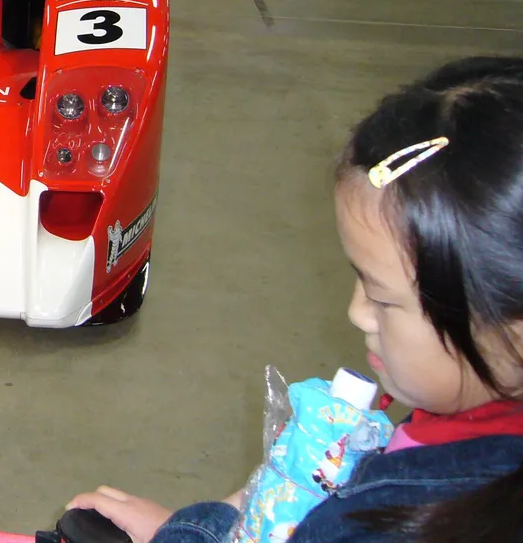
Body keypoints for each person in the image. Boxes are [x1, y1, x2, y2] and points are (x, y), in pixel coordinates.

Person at [66, 55, 523, 543]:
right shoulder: (476, 413)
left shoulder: (389, 523)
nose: (356, 312)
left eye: (385, 300)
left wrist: (195, 530)